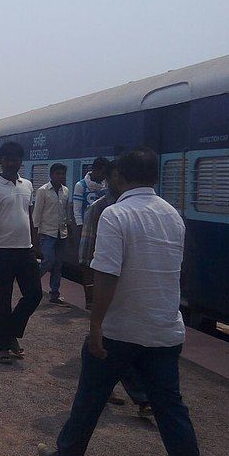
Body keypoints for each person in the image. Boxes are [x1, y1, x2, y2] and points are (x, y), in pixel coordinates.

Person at [38, 147, 201, 456]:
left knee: (90, 398)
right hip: (165, 331)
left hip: (121, 330)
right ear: (154, 177)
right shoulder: (173, 215)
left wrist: (96, 325)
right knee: (172, 409)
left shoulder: (116, 215)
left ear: (118, 177)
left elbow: (107, 275)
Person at [78, 161, 152, 414]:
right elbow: (87, 255)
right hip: (110, 295)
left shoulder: (140, 210)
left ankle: (70, 444)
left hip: (131, 296)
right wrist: (91, 293)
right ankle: (140, 397)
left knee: (111, 349)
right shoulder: (100, 210)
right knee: (109, 347)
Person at [0, 141, 43, 364]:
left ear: (20, 162)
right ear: (1, 161)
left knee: (34, 294)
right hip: (2, 252)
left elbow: (30, 215)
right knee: (2, 302)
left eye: (15, 159)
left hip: (25, 251)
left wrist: (35, 244)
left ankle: (10, 333)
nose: (11, 163)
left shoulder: (27, 185)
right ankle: (2, 347)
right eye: (7, 159)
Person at [33, 163, 70, 305]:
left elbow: (66, 212)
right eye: (58, 174)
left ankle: (54, 294)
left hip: (62, 233)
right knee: (48, 261)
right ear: (51, 175)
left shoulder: (65, 191)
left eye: (63, 174)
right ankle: (32, 281)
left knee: (58, 265)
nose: (60, 176)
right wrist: (35, 236)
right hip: (47, 232)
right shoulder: (43, 191)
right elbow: (37, 214)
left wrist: (69, 231)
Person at [72, 157, 109, 230]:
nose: (104, 176)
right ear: (95, 170)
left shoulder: (106, 185)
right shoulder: (81, 185)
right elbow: (77, 210)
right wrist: (80, 226)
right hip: (86, 225)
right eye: (103, 173)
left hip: (101, 225)